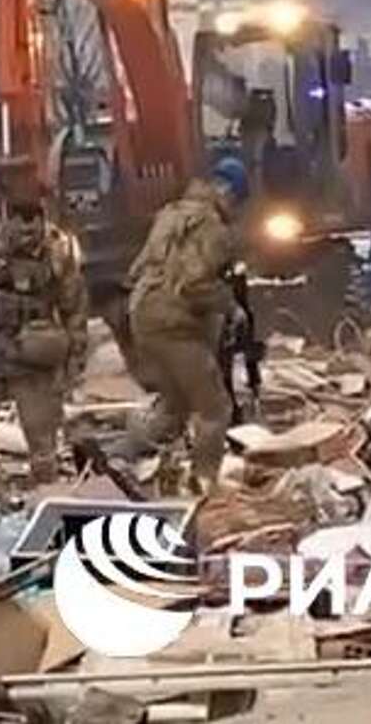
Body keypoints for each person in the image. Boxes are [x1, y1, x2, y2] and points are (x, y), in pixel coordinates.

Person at [0, 176, 88, 484]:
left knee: (43, 451)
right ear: (7, 221)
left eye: (33, 222)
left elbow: (75, 309)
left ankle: (47, 504)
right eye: (19, 222)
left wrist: (73, 361)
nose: (27, 231)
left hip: (33, 364)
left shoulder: (57, 256)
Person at [128, 158, 244, 493]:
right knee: (214, 408)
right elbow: (194, 285)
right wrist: (229, 306)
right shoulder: (212, 228)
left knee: (175, 405)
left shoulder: (172, 213)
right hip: (172, 323)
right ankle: (203, 485)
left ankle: (120, 455)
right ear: (229, 192)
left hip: (145, 313)